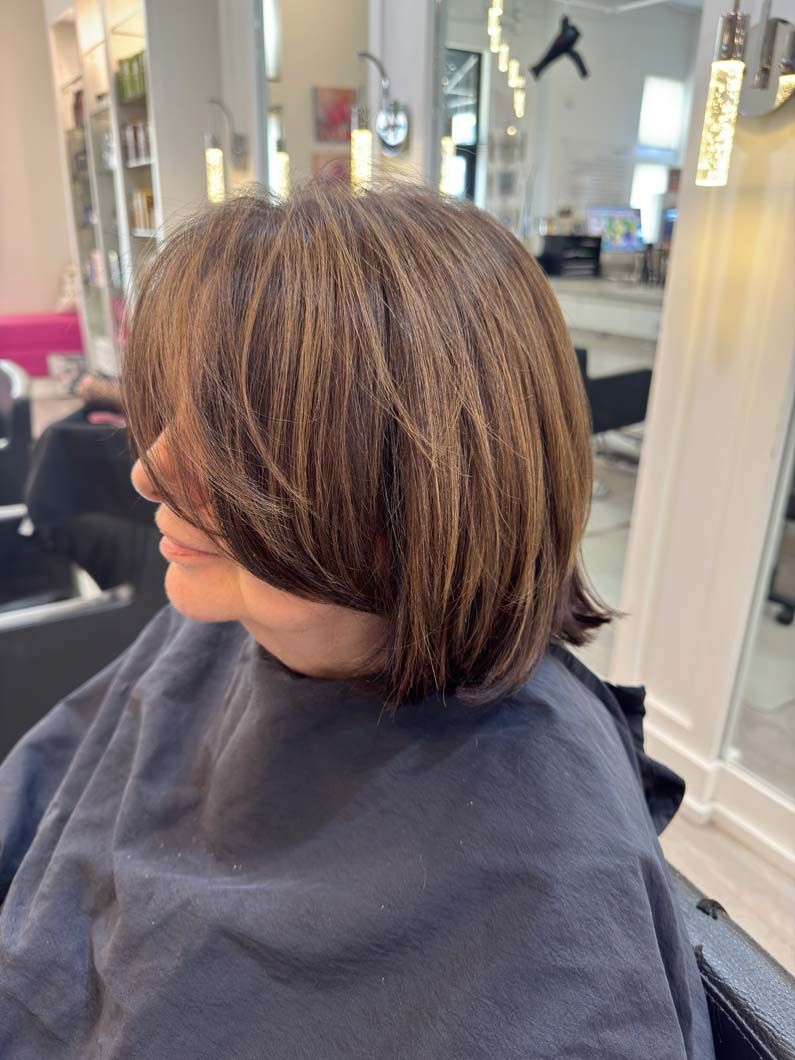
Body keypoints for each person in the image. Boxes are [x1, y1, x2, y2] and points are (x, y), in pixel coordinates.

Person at [0, 182, 715, 1059]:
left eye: (228, 433)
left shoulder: (550, 880)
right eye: (172, 413)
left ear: (419, 490)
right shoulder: (215, 636)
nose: (149, 470)